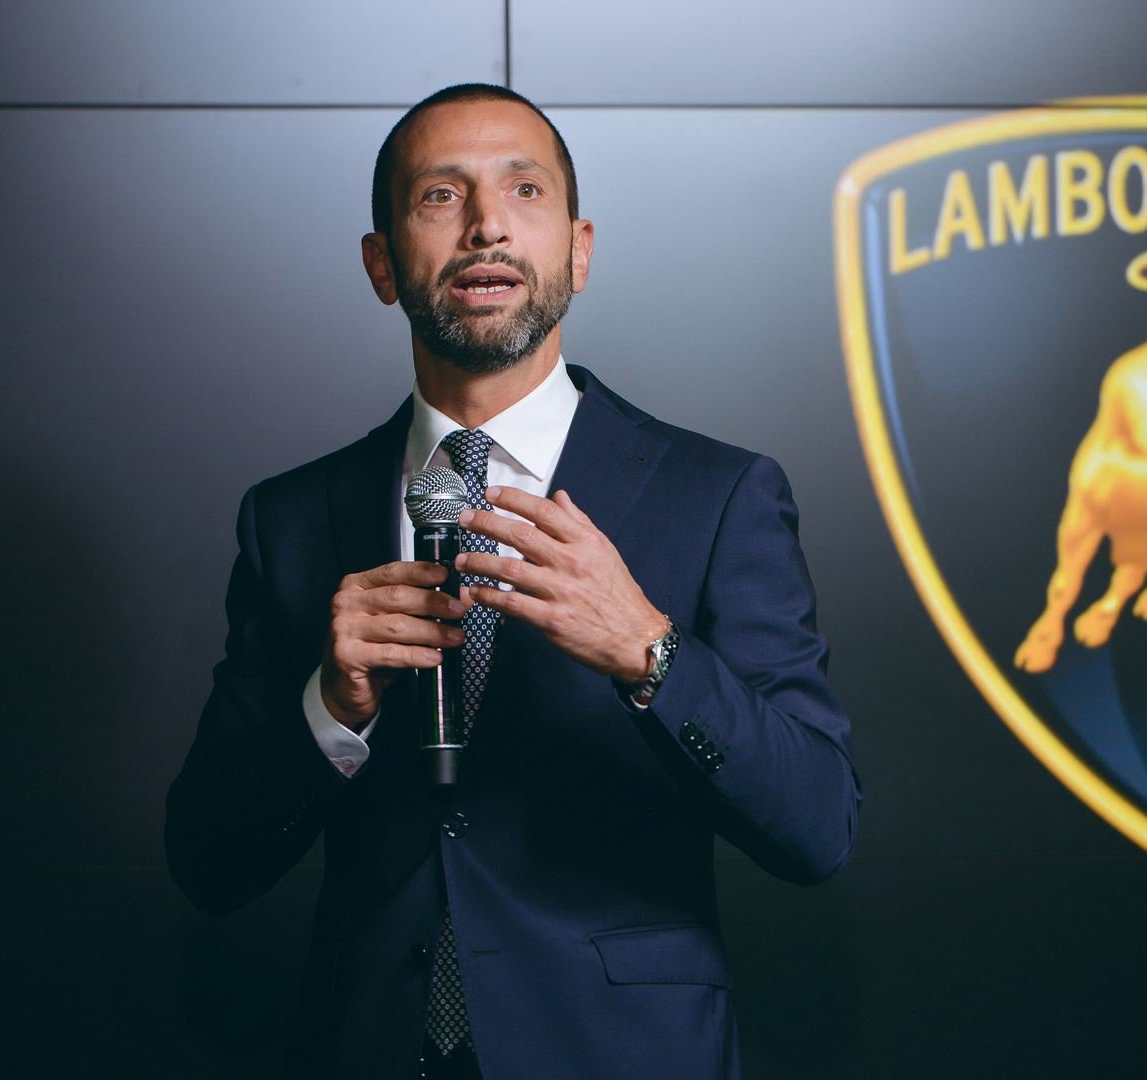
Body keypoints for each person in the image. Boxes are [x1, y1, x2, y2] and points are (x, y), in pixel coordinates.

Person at [165, 83, 860, 1080]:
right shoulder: (291, 519)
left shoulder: (717, 495)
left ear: (579, 251)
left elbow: (818, 827)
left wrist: (651, 653)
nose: (487, 225)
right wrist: (331, 709)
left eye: (524, 190)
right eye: (440, 196)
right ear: (381, 263)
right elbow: (207, 863)